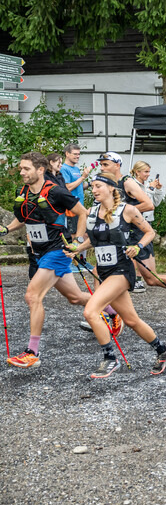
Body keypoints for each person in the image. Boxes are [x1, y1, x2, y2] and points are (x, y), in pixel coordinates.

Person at [71, 172, 166, 378]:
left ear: (111, 188)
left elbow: (149, 232)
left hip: (122, 270)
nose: (94, 190)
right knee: (132, 320)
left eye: (98, 186)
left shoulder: (127, 210)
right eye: (92, 187)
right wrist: (75, 249)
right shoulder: (92, 212)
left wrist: (137, 247)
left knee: (91, 311)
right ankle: (163, 350)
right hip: (105, 271)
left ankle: (110, 359)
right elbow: (93, 240)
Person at [1, 152, 91, 367]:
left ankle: (32, 352)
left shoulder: (56, 191)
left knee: (32, 296)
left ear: (40, 170)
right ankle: (111, 310)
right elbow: (23, 218)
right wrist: (5, 229)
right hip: (39, 252)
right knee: (76, 298)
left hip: (58, 249)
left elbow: (82, 212)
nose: (22, 172)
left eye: (26, 169)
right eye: (21, 168)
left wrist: (78, 242)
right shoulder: (24, 191)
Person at [99, 152, 166, 302]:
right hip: (120, 235)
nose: (101, 167)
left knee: (151, 279)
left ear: (117, 165)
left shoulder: (127, 182)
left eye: (105, 164)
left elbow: (148, 205)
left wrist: (125, 212)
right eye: (101, 164)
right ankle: (106, 310)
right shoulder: (108, 184)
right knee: (107, 272)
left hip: (138, 234)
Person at [60, 144, 89, 236]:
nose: (78, 156)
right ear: (67, 154)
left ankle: (78, 250)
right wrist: (83, 177)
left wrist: (91, 184)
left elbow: (78, 186)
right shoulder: (63, 169)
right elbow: (67, 187)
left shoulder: (76, 169)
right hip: (71, 207)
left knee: (83, 234)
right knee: (73, 234)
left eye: (79, 154)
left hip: (80, 206)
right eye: (75, 154)